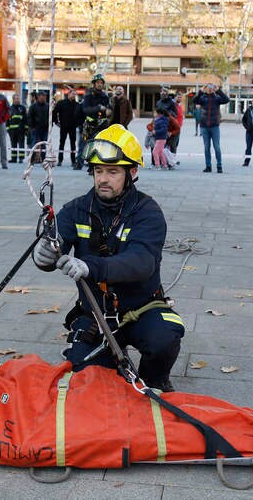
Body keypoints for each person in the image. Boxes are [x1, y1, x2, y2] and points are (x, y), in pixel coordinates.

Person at [32, 124, 184, 391]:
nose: (103, 178)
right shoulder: (76, 209)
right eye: (98, 171)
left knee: (164, 337)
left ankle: (155, 380)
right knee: (88, 381)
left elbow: (142, 263)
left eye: (113, 172)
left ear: (132, 172)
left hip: (141, 310)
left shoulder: (147, 212)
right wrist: (42, 255)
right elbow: (56, 242)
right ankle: (108, 365)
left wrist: (90, 266)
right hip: (95, 315)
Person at [192, 82, 229, 173]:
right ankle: (208, 166)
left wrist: (219, 90)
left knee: (217, 147)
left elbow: (226, 99)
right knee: (206, 147)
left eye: (211, 87)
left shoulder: (217, 98)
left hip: (214, 126)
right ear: (205, 88)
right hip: (204, 126)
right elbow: (194, 100)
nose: (209, 89)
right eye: (208, 87)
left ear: (213, 89)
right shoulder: (202, 98)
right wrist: (200, 91)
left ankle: (219, 166)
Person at [77, 74, 110, 170]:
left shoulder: (105, 96)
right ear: (94, 84)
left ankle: (92, 166)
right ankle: (79, 163)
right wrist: (98, 108)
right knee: (83, 144)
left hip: (101, 125)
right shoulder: (88, 96)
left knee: (97, 145)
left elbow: (108, 110)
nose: (100, 85)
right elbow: (86, 110)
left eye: (101, 83)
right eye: (98, 83)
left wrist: (109, 110)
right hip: (88, 125)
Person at [52, 88, 78, 166]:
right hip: (63, 126)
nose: (74, 96)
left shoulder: (76, 105)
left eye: (75, 94)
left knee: (73, 144)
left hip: (73, 127)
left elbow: (80, 115)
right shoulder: (61, 103)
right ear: (68, 94)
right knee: (62, 143)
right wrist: (56, 122)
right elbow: (54, 112)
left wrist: (78, 124)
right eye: (72, 94)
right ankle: (60, 160)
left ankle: (73, 161)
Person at [28, 91, 50, 163]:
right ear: (38, 97)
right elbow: (30, 117)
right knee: (34, 144)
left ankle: (43, 159)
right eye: (42, 96)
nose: (43, 98)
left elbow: (51, 117)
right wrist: (32, 127)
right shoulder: (33, 106)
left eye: (44, 96)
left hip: (45, 129)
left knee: (43, 144)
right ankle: (32, 159)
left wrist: (50, 126)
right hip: (36, 128)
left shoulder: (48, 106)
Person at [7, 92, 27, 164]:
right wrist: (8, 129)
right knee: (13, 144)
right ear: (13, 99)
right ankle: (13, 158)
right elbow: (7, 120)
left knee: (21, 144)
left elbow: (25, 119)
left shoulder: (22, 108)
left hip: (21, 130)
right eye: (16, 99)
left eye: (18, 98)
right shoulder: (10, 109)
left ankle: (21, 158)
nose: (17, 100)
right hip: (12, 131)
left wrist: (26, 129)